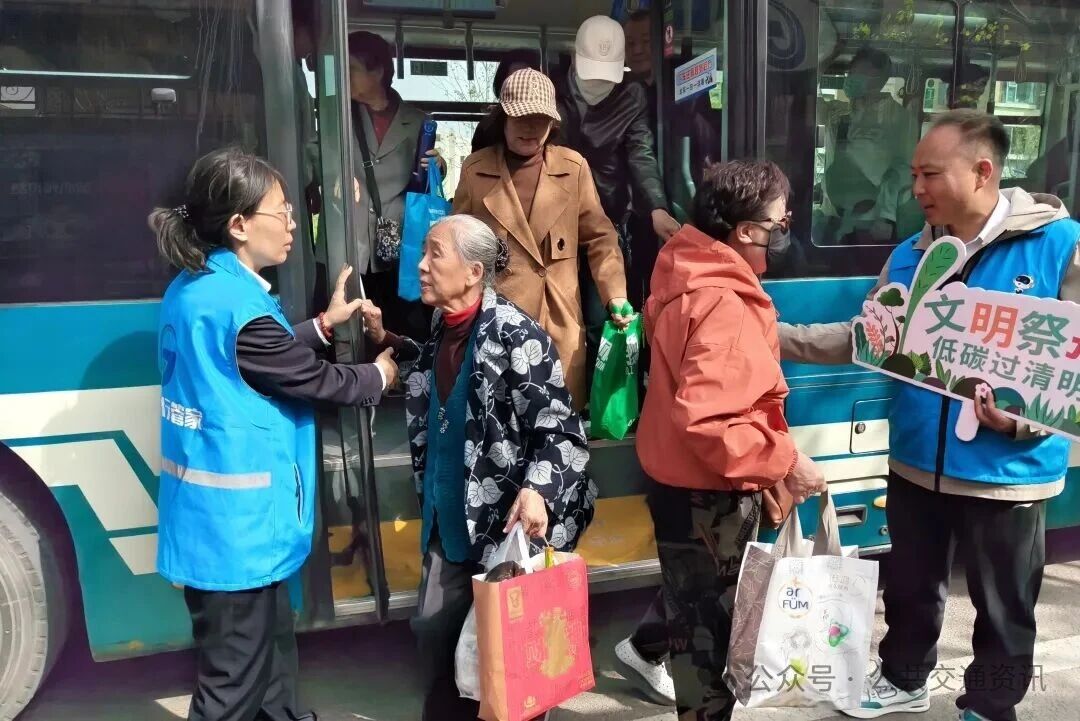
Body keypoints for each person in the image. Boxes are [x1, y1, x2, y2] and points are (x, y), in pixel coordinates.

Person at [781, 109, 1080, 721]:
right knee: (910, 588)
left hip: (1008, 472)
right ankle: (903, 679)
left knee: (1004, 609)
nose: (916, 188)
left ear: (983, 172)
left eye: (930, 174)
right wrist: (777, 336)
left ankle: (990, 706)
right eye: (914, 174)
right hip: (916, 460)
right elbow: (868, 337)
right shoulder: (910, 254)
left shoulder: (1061, 247)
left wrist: (1021, 421)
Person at [149, 147, 398, 721]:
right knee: (232, 686)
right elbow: (313, 379)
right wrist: (380, 374)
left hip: (221, 524)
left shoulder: (201, 287)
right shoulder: (236, 307)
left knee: (270, 663)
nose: (292, 224)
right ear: (239, 225)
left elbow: (256, 357)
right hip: (235, 534)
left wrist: (322, 325)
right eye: (282, 211)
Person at [358, 214, 598, 721]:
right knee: (434, 631)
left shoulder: (517, 335)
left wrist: (538, 490)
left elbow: (562, 431)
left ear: (473, 273)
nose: (421, 265)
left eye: (435, 254)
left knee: (510, 655)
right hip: (448, 520)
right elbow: (431, 365)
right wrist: (387, 339)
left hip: (503, 525)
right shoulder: (444, 326)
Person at [635, 158, 828, 721]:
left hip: (675, 482)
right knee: (710, 646)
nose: (785, 228)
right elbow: (711, 420)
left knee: (691, 627)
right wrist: (787, 460)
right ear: (745, 231)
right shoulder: (724, 301)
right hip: (710, 496)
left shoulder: (684, 273)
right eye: (778, 220)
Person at [453, 68, 632, 409]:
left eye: (541, 119)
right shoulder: (476, 170)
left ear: (553, 122)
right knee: (503, 419)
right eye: (521, 118)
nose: (531, 128)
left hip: (559, 321)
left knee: (559, 419)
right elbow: (457, 247)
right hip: (500, 322)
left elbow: (601, 237)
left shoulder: (573, 168)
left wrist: (615, 294)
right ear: (503, 118)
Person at [556, 15, 681, 383]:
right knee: (559, 315)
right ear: (575, 58)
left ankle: (602, 398)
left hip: (605, 218)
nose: (598, 83)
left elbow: (641, 152)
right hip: (553, 217)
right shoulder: (551, 90)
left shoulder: (631, 95)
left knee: (604, 313)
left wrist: (656, 207)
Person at [347, 30, 444, 341]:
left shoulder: (418, 122)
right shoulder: (337, 113)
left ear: (377, 71)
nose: (344, 76)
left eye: (352, 68)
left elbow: (424, 178)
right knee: (351, 330)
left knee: (403, 325)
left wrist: (438, 166)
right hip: (349, 239)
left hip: (401, 240)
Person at [818, 46, 919, 245]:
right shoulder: (839, 113)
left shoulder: (899, 118)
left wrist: (886, 216)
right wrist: (822, 62)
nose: (853, 78)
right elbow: (806, 99)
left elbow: (903, 168)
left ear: (880, 78)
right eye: (852, 73)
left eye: (862, 73)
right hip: (833, 212)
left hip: (872, 221)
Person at [470, 49, 542, 153]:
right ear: (502, 83)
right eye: (515, 78)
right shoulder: (488, 125)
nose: (521, 83)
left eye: (527, 78)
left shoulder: (549, 121)